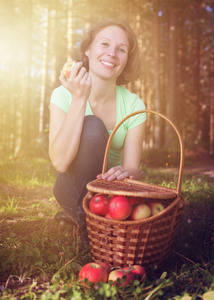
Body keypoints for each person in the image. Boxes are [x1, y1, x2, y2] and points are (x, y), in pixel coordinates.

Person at [49, 19, 146, 243]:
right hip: (71, 188)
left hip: (110, 195)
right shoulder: (62, 95)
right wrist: (79, 99)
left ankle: (83, 218)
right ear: (88, 49)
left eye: (121, 49)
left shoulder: (133, 104)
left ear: (126, 59)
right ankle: (86, 223)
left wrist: (125, 172)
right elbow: (60, 163)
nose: (112, 53)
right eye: (104, 44)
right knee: (92, 125)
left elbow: (133, 168)